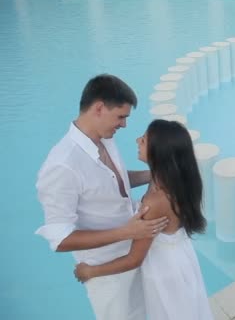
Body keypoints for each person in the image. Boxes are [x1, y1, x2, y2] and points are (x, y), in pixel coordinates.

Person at [36, 74, 169, 320]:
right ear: (99, 108)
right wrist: (127, 232)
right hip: (105, 268)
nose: (124, 125)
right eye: (121, 117)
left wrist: (155, 175)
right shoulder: (62, 165)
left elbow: (114, 182)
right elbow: (60, 239)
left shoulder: (105, 139)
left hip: (134, 250)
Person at [75, 119, 214, 320]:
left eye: (145, 139)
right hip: (181, 259)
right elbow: (126, 179)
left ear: (159, 151)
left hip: (164, 270)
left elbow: (134, 259)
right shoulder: (175, 181)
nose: (137, 140)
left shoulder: (155, 201)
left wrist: (90, 271)